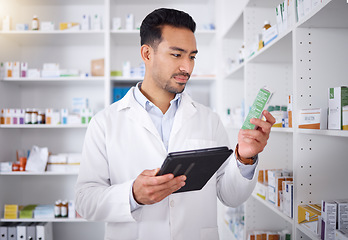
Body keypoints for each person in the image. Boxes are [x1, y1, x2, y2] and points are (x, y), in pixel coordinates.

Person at [75, 8, 275, 240]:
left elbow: (230, 196)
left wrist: (245, 158)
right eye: (177, 55)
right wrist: (132, 194)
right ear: (147, 54)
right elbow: (85, 200)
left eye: (192, 56)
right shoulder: (105, 122)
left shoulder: (209, 119)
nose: (187, 68)